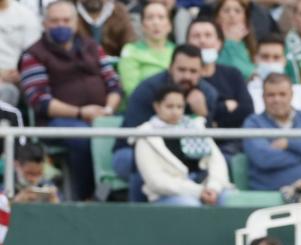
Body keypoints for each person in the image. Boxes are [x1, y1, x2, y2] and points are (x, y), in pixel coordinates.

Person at [19, 0, 122, 200]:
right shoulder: (33, 54)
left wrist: (108, 110)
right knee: (83, 139)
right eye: (55, 21)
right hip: (56, 123)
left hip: (102, 116)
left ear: (75, 23)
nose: (61, 25)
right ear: (44, 23)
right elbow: (40, 100)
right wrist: (81, 112)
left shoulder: (92, 46)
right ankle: (84, 198)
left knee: (125, 136)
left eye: (66, 20)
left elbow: (114, 85)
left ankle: (111, 194)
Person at [112, 44, 218, 202]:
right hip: (134, 150)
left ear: (201, 72)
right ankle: (139, 217)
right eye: (181, 70)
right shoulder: (148, 90)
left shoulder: (207, 93)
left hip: (184, 155)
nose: (187, 76)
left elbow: (210, 141)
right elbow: (137, 136)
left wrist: (203, 114)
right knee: (138, 163)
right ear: (170, 68)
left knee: (215, 164)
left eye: (193, 71)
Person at [135, 84, 234, 206]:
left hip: (207, 188)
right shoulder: (145, 135)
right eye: (169, 106)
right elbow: (156, 181)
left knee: (230, 199)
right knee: (190, 206)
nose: (175, 111)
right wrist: (197, 191)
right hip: (168, 195)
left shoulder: (196, 126)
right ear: (157, 106)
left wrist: (213, 188)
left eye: (179, 107)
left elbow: (217, 162)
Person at [242, 73, 301, 191]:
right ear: (263, 97)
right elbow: (264, 158)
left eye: (282, 94)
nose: (277, 99)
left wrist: (288, 143)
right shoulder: (253, 123)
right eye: (271, 95)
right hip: (271, 192)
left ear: (291, 95)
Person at [247, 34, 301, 114]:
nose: (270, 62)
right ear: (255, 59)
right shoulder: (247, 93)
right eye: (265, 57)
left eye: (276, 57)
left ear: (284, 61)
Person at [118, 2, 175, 98]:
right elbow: (131, 89)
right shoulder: (130, 51)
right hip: (141, 105)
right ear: (142, 26)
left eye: (161, 17)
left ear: (169, 25)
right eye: (150, 18)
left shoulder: (177, 51)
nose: (155, 23)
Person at [0, 0, 41, 106]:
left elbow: (34, 51)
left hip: (17, 75)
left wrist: (22, 72)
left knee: (8, 92)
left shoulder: (25, 15)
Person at [214, 0, 256, 79]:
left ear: (245, 18)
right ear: (217, 18)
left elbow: (247, 73)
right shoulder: (210, 43)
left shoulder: (250, 46)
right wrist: (231, 42)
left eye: (237, 11)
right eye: (226, 11)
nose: (232, 15)